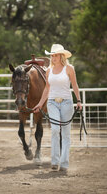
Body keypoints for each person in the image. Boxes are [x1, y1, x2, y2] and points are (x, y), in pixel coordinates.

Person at [34, 44, 82, 172]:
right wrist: (40, 103)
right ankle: (54, 161)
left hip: (66, 102)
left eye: (55, 55)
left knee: (66, 134)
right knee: (55, 130)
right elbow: (47, 89)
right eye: (52, 55)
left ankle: (64, 163)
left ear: (61, 56)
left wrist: (79, 100)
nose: (53, 57)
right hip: (52, 103)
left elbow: (75, 85)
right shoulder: (49, 70)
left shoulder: (69, 68)